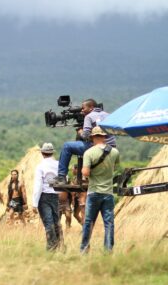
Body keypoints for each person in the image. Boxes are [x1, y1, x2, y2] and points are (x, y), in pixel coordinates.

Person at [53, 99, 116, 185]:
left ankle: (61, 177)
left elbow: (85, 136)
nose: (82, 110)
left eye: (83, 108)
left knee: (67, 146)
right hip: (111, 148)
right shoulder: (109, 115)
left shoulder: (89, 116)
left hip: (96, 147)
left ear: (91, 107)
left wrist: (80, 131)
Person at [80, 126, 120, 254]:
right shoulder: (114, 152)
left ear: (92, 137)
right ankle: (108, 250)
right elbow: (114, 169)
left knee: (88, 222)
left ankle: (84, 249)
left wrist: (84, 170)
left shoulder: (89, 153)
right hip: (108, 193)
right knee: (109, 223)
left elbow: (85, 173)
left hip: (94, 193)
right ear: (104, 137)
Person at [32, 143, 61, 251]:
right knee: (55, 221)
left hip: (44, 197)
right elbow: (64, 177)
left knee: (48, 222)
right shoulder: (58, 164)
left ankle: (51, 247)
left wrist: (35, 203)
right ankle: (59, 245)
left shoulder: (40, 166)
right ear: (52, 152)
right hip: (55, 195)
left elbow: (38, 185)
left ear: (42, 153)